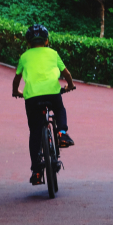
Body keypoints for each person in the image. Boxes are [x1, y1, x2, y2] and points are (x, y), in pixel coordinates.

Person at [12, 24, 76, 185]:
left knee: (35, 132)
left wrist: (16, 92)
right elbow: (66, 73)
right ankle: (62, 133)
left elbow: (16, 79)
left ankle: (37, 171)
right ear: (47, 41)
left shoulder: (24, 57)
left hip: (32, 97)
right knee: (59, 109)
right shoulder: (53, 53)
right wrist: (70, 85)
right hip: (52, 92)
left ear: (28, 43)